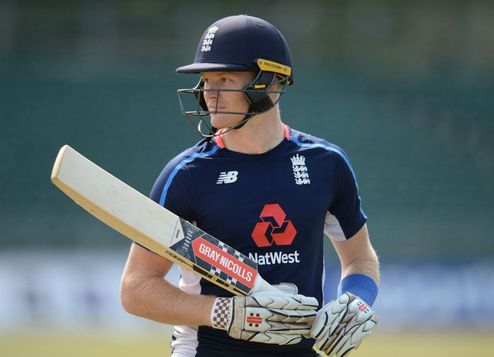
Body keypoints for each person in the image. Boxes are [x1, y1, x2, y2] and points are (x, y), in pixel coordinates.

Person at [120, 14, 380, 357]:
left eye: (224, 79)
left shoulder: (326, 164)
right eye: (206, 80)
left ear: (269, 82)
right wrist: (221, 313)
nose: (209, 94)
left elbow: (360, 257)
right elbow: (136, 288)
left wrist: (357, 300)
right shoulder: (186, 174)